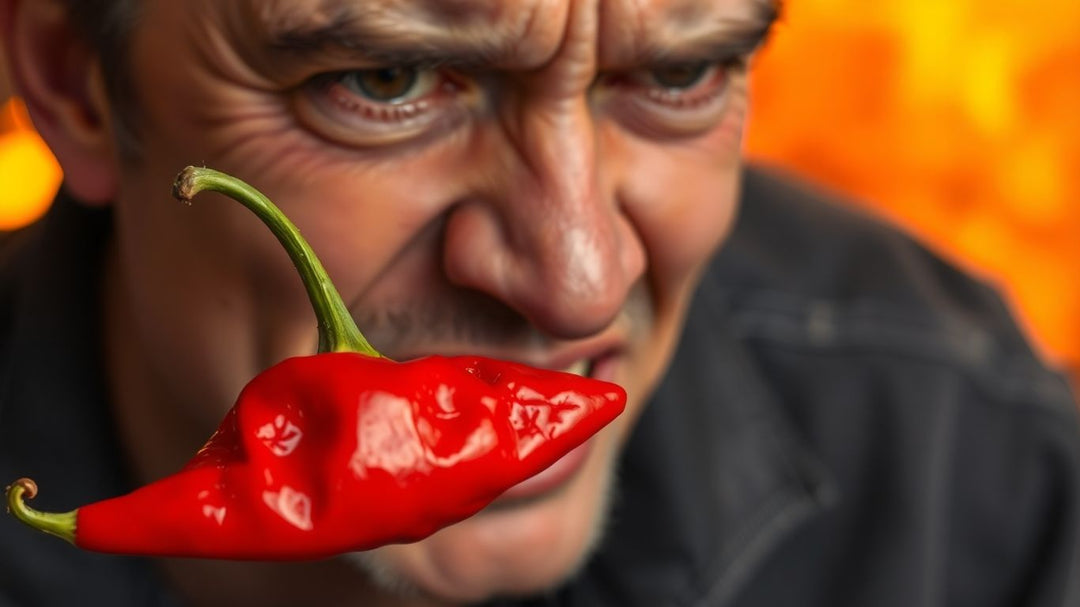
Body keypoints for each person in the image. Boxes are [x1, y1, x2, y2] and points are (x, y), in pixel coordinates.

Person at [1, 0, 1078, 605]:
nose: (580, 282)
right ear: (72, 83)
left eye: (684, 74)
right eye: (385, 84)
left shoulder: (977, 487)